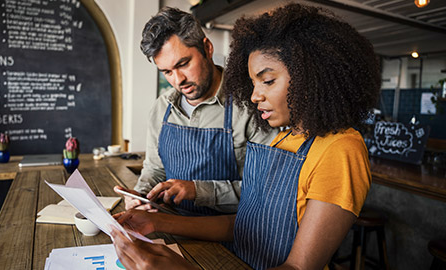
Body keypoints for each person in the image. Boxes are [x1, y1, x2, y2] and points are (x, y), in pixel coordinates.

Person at [111, 3, 381, 270]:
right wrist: (157, 222)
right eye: (253, 83)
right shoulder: (284, 140)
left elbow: (299, 267)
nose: (254, 96)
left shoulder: (342, 149)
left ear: (310, 75)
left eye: (268, 81)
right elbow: (243, 225)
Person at [114, 7, 277, 216]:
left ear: (207, 48)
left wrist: (199, 190)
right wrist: (140, 195)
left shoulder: (252, 105)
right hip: (171, 228)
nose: (178, 80)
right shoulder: (162, 108)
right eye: (167, 72)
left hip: (232, 237)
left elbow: (265, 190)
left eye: (183, 64)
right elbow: (155, 170)